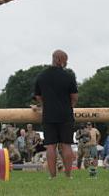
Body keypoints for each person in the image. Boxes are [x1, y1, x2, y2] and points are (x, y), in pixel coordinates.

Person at [33, 49, 78, 178]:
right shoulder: (68, 76)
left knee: (50, 146)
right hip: (66, 115)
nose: (66, 63)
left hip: (49, 115)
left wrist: (45, 105)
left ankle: (53, 176)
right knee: (66, 145)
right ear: (58, 59)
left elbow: (37, 96)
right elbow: (74, 97)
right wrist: (68, 107)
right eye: (65, 60)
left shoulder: (41, 76)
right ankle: (68, 175)